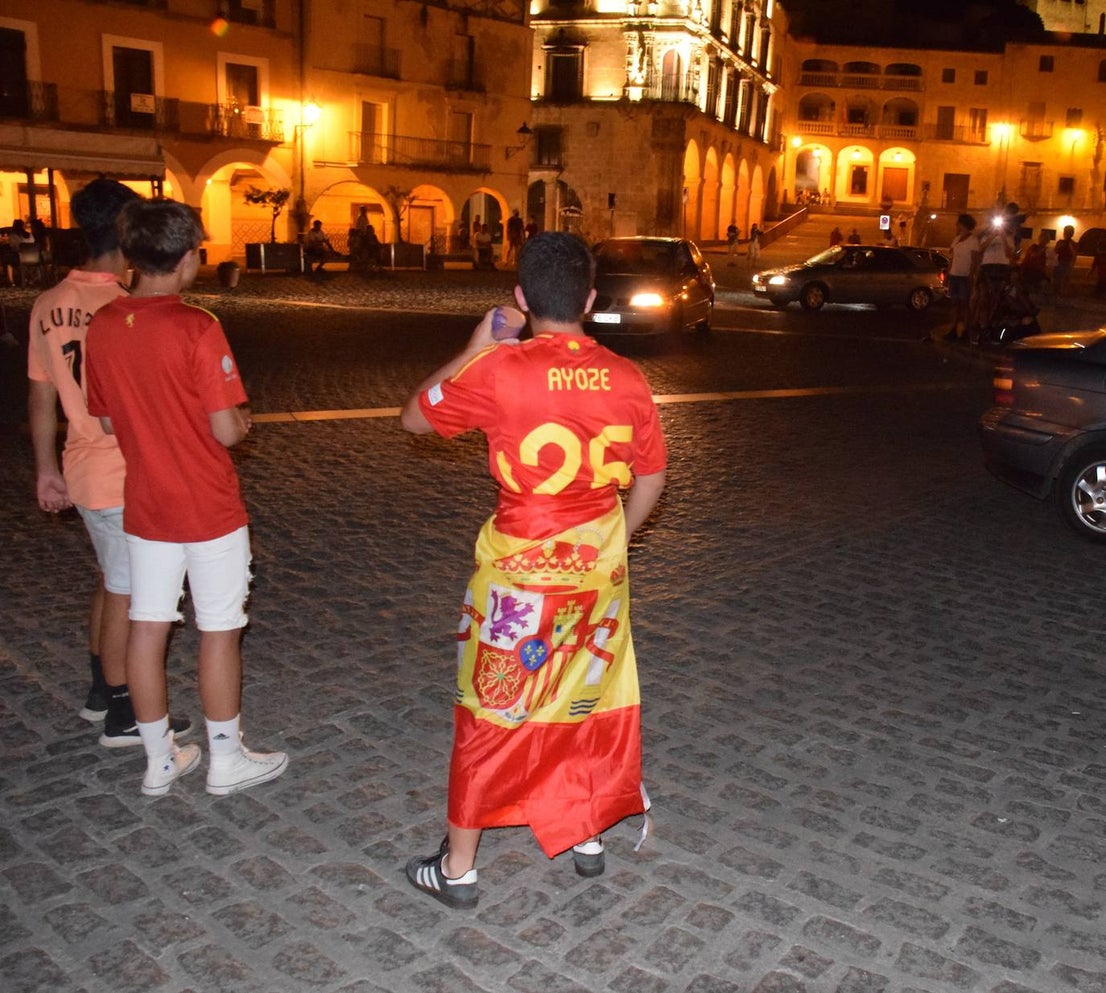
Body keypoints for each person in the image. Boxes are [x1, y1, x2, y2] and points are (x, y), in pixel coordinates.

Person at [400, 231, 667, 908]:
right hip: (594, 576)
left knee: (489, 710)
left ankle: (458, 867)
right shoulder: (628, 378)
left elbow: (413, 419)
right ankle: (585, 832)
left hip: (518, 577)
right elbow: (653, 474)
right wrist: (617, 538)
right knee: (587, 701)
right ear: (590, 298)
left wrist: (478, 344)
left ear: (521, 297)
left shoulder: (499, 370)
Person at [85, 198, 288, 798]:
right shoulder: (197, 326)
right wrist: (242, 419)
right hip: (207, 503)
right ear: (187, 258)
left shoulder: (102, 324)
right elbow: (226, 428)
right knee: (220, 628)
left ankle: (159, 760)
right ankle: (226, 759)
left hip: (145, 501)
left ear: (131, 255)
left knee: (149, 626)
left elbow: (103, 424)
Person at [26, 179, 193, 747]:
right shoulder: (122, 311)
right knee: (132, 593)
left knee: (109, 582)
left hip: (80, 466)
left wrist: (46, 468)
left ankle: (102, 690)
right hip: (125, 469)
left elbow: (41, 393)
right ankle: (126, 712)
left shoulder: (49, 304)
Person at [943, 213, 980, 342]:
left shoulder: (973, 240)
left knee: (964, 304)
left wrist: (971, 276)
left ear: (964, 224)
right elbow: (953, 258)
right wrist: (948, 273)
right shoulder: (957, 238)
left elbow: (975, 261)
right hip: (954, 275)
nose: (956, 225)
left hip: (964, 276)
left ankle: (965, 330)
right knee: (955, 304)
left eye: (958, 223)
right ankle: (953, 329)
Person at [1054, 224, 1077, 298]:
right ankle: (1058, 293)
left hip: (1067, 263)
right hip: (1060, 262)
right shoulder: (1061, 242)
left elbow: (1074, 254)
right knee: (1058, 279)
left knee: (1065, 279)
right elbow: (1056, 251)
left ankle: (1063, 293)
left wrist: (1072, 263)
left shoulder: (1073, 244)